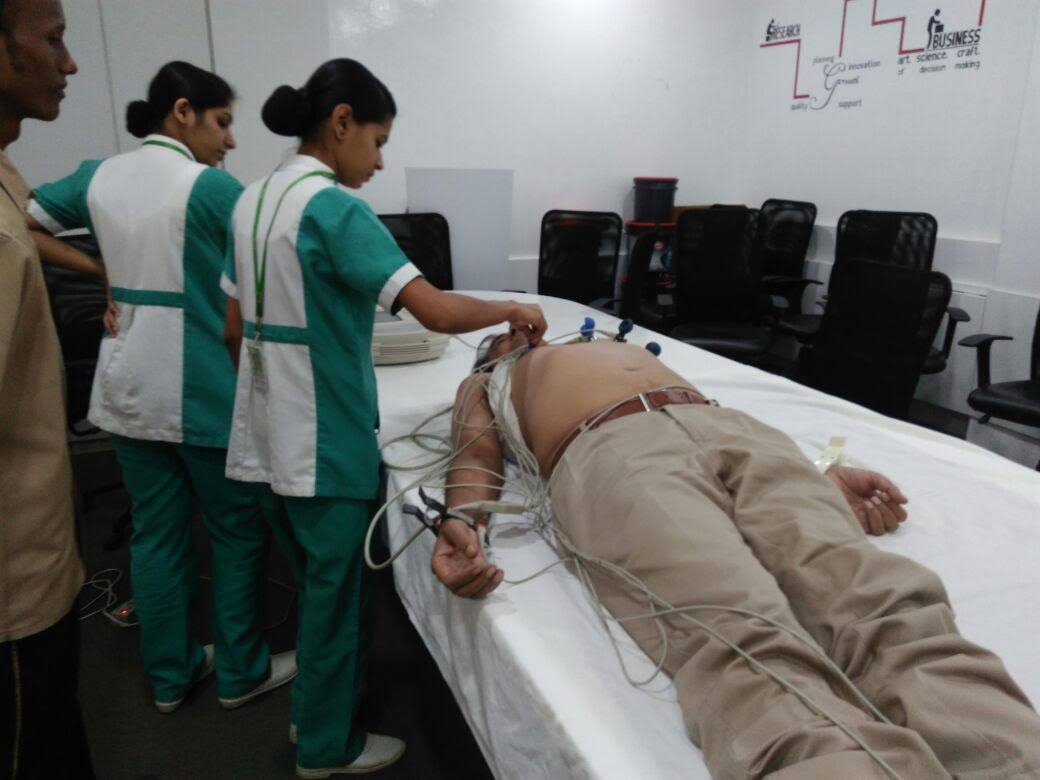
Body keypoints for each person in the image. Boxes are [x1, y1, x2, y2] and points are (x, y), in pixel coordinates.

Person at [432, 331, 1040, 780]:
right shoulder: (488, 380)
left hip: (730, 429)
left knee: (883, 602)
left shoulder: (603, 345)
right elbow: (476, 455)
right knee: (738, 632)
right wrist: (463, 519)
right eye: (505, 335)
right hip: (608, 446)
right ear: (491, 352)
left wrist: (823, 470)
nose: (523, 331)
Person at [222, 59, 546, 778]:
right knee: (337, 599)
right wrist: (512, 306)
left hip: (264, 436)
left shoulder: (251, 202)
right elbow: (435, 310)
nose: (379, 161)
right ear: (341, 123)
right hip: (323, 441)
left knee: (313, 584)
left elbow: (232, 329)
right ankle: (326, 746)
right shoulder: (334, 210)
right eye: (377, 141)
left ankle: (311, 711)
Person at [26, 61, 297, 716]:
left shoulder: (97, 176)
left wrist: (101, 272)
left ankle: (171, 676)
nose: (230, 140)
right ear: (182, 112)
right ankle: (240, 671)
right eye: (222, 122)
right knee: (235, 531)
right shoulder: (210, 188)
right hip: (201, 389)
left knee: (155, 533)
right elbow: (273, 268)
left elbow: (23, 223)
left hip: (125, 387)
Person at [0, 0, 94, 776]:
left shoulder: (8, 177)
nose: (68, 64)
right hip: (12, 589)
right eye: (53, 39)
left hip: (41, 558)